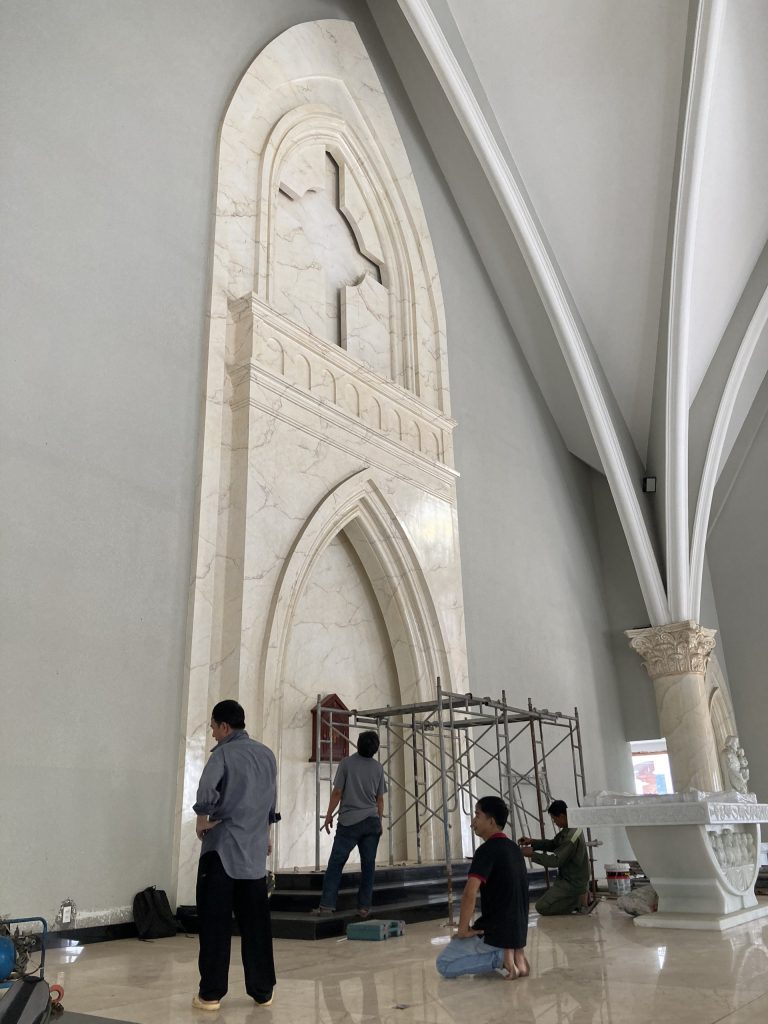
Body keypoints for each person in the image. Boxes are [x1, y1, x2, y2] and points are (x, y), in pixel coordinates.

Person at [192, 700, 278, 1011]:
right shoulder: (267, 755)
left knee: (215, 924)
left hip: (222, 852)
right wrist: (265, 835)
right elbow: (270, 801)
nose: (213, 734)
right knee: (256, 926)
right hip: (253, 856)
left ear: (225, 727)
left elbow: (207, 788)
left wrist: (202, 819)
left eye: (214, 728)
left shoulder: (223, 754)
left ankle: (211, 994)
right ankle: (263, 991)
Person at [436, 796, 529, 980]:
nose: (472, 822)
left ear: (491, 821)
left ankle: (501, 958)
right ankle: (512, 954)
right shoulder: (514, 849)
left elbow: (469, 893)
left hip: (494, 933)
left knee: (444, 964)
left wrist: (463, 930)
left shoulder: (486, 850)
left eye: (477, 815)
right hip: (516, 934)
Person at [313, 731, 386, 917]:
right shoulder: (378, 768)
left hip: (349, 823)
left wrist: (328, 815)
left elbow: (337, 792)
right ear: (375, 749)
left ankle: (327, 905)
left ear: (358, 744)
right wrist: (379, 821)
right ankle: (364, 907)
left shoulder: (346, 763)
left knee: (336, 863)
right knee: (368, 865)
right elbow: (380, 800)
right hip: (371, 821)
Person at [519, 799, 594, 916]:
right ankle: (579, 897)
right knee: (549, 902)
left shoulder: (571, 836)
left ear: (562, 816)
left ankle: (578, 901)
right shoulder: (570, 829)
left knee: (541, 907)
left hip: (573, 881)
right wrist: (532, 842)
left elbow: (555, 860)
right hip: (568, 877)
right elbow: (553, 844)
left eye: (554, 819)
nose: (554, 822)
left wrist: (532, 854)